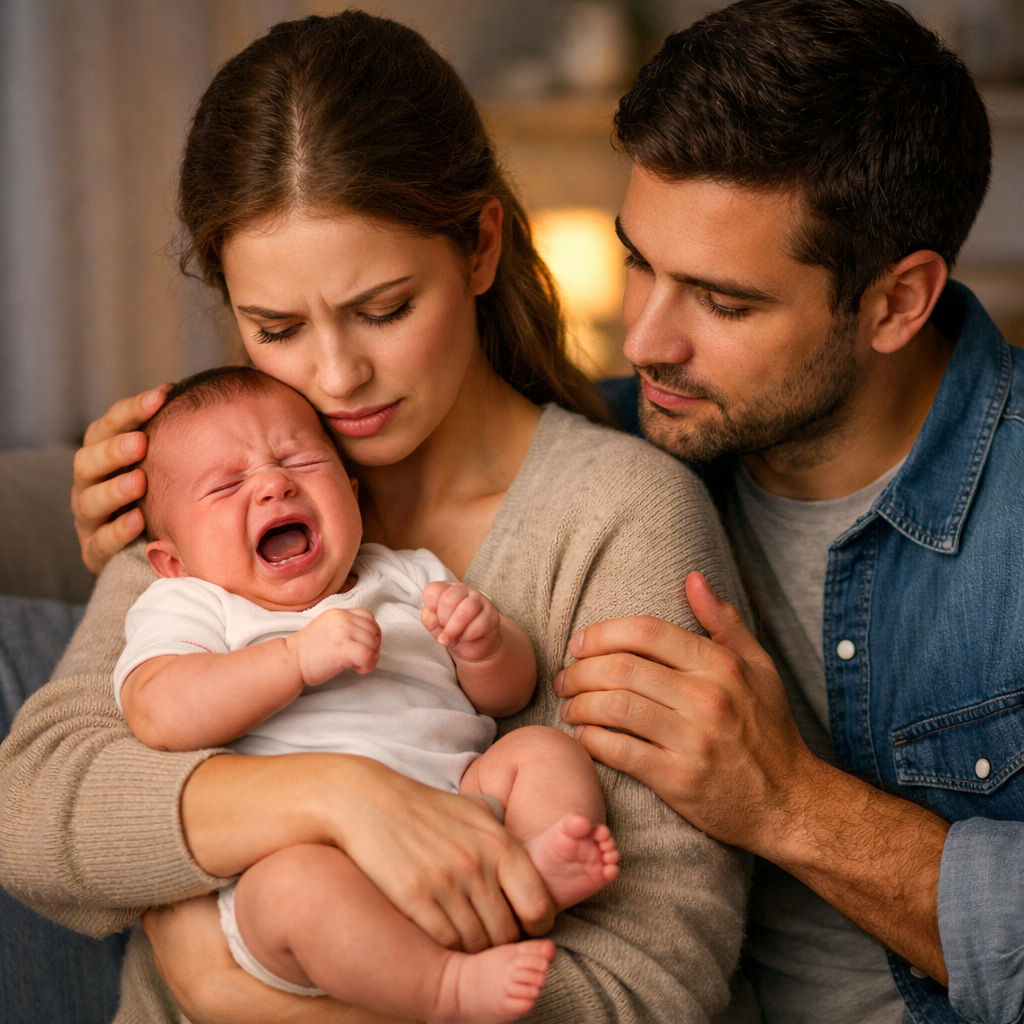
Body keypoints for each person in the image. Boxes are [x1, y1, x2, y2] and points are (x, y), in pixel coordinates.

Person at [0, 11, 749, 1024]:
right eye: (275, 328)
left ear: (480, 246)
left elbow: (653, 984)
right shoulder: (217, 482)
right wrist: (334, 795)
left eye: (385, 309)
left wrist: (223, 988)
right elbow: (37, 811)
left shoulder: (619, 518)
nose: (337, 377)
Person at [554, 3, 1023, 1024]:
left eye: (723, 303)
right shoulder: (593, 445)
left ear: (897, 302)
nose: (642, 339)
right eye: (639, 260)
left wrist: (787, 802)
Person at [116, 365, 620, 1022]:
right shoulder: (193, 604)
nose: (273, 485)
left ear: (353, 495)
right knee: (296, 889)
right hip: (313, 860)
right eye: (228, 485)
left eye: (298, 460)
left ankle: (527, 871)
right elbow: (160, 711)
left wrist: (485, 646)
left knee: (542, 749)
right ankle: (446, 988)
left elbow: (507, 696)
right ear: (172, 559)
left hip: (463, 819)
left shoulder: (406, 574)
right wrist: (293, 659)